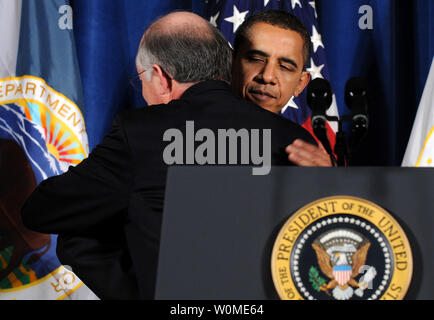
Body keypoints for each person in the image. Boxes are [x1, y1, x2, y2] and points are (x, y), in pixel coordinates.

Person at [21, 12, 317, 299]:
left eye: (142, 78)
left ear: (161, 77)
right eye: (256, 58)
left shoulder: (140, 133)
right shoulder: (298, 143)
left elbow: (41, 211)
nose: (267, 76)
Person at [231, 9, 332, 167]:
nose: (267, 76)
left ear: (300, 84)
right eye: (256, 59)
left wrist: (329, 184)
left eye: (285, 67)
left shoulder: (304, 150)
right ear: (231, 63)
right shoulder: (190, 129)